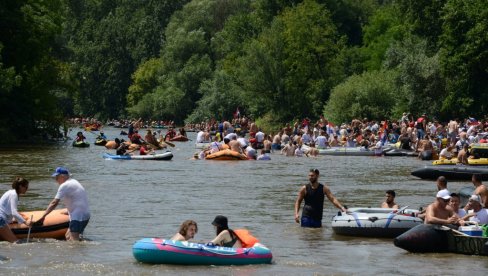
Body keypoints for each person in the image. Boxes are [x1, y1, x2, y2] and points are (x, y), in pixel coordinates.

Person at [37, 167, 90, 241]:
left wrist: (43, 216)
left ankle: (80, 251)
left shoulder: (64, 185)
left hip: (78, 217)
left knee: (74, 242)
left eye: (56, 177)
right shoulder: (74, 181)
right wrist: (68, 211)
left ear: (62, 176)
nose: (55, 180)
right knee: (68, 236)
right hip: (85, 214)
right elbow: (77, 199)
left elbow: (54, 203)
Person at [0, 177, 32, 243]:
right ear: (20, 186)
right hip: (0, 219)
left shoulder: (11, 192)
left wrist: (14, 219)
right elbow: (14, 212)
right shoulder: (14, 194)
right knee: (15, 242)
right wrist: (25, 222)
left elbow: (8, 210)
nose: (27, 189)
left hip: (2, 218)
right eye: (26, 187)